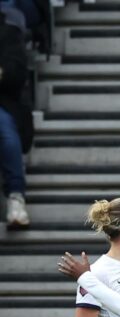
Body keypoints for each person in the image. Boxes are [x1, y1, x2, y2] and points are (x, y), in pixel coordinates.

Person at [0, 13, 32, 228]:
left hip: (3, 103)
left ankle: (15, 197)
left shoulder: (8, 33)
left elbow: (15, 74)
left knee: (4, 129)